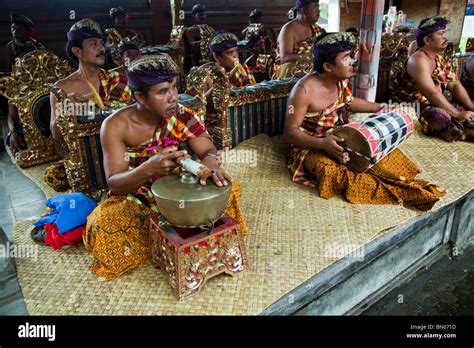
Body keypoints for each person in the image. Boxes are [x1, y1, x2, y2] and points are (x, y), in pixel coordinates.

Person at [84, 54, 247, 279]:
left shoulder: (180, 114)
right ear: (140, 97)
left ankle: (173, 236)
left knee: (229, 188)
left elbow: (207, 149)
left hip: (179, 190)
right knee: (105, 223)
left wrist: (210, 161)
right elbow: (116, 183)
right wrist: (148, 168)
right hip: (136, 197)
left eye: (173, 87)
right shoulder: (115, 126)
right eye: (162, 92)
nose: (173, 97)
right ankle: (175, 236)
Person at [283, 32, 445, 211]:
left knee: (380, 156)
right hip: (312, 148)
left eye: (351, 56)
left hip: (342, 138)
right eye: (346, 58)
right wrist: (323, 144)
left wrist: (380, 107)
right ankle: (407, 195)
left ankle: (411, 187)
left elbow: (350, 101)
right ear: (328, 66)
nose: (352, 61)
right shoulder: (303, 91)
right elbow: (290, 132)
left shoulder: (339, 80)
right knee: (336, 174)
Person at [392, 16, 474, 142]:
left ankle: (458, 130)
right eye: (441, 34)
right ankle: (461, 131)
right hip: (412, 107)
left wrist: (470, 106)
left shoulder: (439, 59)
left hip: (433, 103)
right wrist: (456, 114)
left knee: (463, 110)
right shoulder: (418, 60)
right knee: (440, 117)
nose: (445, 38)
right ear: (427, 40)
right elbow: (431, 92)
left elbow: (455, 84)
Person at [50, 18, 132, 142]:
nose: (102, 49)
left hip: (122, 146)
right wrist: (67, 110)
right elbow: (56, 136)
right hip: (84, 154)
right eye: (94, 44)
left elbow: (131, 116)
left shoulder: (116, 79)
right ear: (77, 51)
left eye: (101, 43)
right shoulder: (61, 88)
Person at [5, 12, 45, 154]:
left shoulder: (37, 47)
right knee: (17, 136)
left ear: (28, 32)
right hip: (19, 83)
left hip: (37, 84)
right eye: (13, 28)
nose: (15, 32)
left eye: (19, 29)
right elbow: (11, 68)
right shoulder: (11, 46)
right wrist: (13, 132)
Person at [273, 0, 325, 79]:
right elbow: (284, 59)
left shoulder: (317, 29)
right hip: (291, 73)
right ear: (303, 10)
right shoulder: (288, 29)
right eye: (315, 7)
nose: (318, 10)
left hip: (312, 70)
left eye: (318, 7)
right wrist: (310, 56)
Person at [184, 4, 214, 71]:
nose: (203, 17)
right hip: (198, 57)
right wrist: (206, 40)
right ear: (193, 16)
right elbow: (192, 45)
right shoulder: (190, 30)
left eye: (204, 15)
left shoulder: (209, 28)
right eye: (200, 15)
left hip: (210, 55)